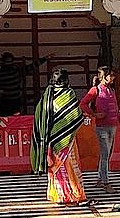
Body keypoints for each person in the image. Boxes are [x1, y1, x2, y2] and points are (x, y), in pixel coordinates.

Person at [30, 69, 88, 206]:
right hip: (65, 139)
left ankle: (58, 196)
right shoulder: (68, 94)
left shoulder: (47, 95)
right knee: (70, 167)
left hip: (50, 139)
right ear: (66, 80)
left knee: (56, 169)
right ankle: (74, 195)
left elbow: (40, 115)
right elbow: (75, 114)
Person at [81, 65, 120, 191]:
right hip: (102, 127)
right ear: (104, 77)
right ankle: (105, 182)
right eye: (111, 75)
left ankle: (100, 178)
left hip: (112, 125)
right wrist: (94, 114)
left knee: (107, 154)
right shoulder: (96, 90)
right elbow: (83, 104)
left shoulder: (111, 90)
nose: (113, 77)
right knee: (105, 154)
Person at [0, 52, 48, 118]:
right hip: (5, 103)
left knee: (12, 121)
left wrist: (45, 58)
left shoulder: (14, 72)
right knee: (7, 121)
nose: (8, 64)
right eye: (7, 62)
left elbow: (32, 66)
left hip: (13, 103)